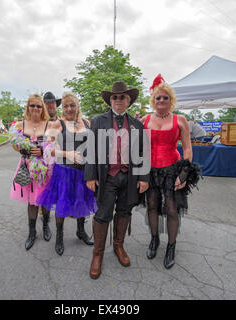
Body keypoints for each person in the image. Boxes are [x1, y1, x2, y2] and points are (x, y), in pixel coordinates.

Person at [84, 81, 149, 279]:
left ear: (129, 101)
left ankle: (118, 246)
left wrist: (144, 177)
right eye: (115, 97)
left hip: (129, 177)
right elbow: (91, 149)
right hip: (107, 176)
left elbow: (143, 152)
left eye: (122, 97)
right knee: (103, 214)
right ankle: (98, 254)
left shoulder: (138, 124)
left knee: (124, 211)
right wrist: (90, 175)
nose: (118, 100)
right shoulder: (98, 121)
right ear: (110, 100)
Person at [141, 74, 201, 269]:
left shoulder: (180, 120)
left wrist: (183, 174)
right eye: (158, 97)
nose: (161, 100)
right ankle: (154, 239)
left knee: (172, 209)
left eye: (165, 97)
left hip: (172, 169)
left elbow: (188, 148)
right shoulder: (144, 120)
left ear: (171, 100)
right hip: (150, 170)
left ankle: (171, 246)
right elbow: (136, 146)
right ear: (153, 100)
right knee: (151, 206)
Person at [37, 92, 96, 256]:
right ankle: (60, 237)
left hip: (82, 172)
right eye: (66, 106)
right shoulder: (56, 124)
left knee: (81, 201)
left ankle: (80, 231)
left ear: (78, 106)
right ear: (62, 108)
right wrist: (67, 153)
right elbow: (47, 150)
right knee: (62, 206)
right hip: (64, 172)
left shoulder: (86, 123)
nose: (69, 109)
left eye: (72, 105)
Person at [10, 94, 55, 250]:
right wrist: (26, 148)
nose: (35, 108)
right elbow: (15, 146)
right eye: (32, 105)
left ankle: (46, 227)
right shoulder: (19, 125)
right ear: (27, 107)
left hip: (44, 167)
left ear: (42, 108)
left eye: (38, 106)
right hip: (27, 166)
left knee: (45, 199)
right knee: (31, 201)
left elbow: (55, 146)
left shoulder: (49, 124)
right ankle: (32, 232)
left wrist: (43, 151)